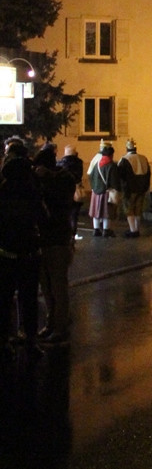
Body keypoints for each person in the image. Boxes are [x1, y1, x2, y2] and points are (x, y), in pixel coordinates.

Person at [0, 154, 47, 347]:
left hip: (5, 254)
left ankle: (5, 340)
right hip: (29, 255)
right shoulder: (31, 192)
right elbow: (44, 218)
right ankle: (30, 339)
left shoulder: (2, 192)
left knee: (4, 299)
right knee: (29, 300)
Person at [33, 144, 76, 343]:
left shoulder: (63, 180)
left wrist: (47, 177)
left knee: (58, 287)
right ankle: (51, 323)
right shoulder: (44, 181)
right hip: (44, 240)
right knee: (47, 286)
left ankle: (60, 327)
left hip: (58, 240)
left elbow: (60, 197)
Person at [118, 138, 151, 238]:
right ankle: (137, 229)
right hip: (142, 188)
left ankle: (133, 230)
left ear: (126, 148)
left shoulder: (124, 160)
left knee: (129, 209)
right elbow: (148, 173)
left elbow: (121, 175)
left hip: (130, 189)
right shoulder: (143, 158)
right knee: (138, 209)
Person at [88, 143, 120, 236]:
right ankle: (106, 230)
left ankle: (96, 229)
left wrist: (94, 187)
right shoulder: (112, 165)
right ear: (111, 155)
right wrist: (116, 189)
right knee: (107, 213)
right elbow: (114, 181)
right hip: (107, 192)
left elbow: (91, 176)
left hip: (96, 192)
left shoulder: (97, 164)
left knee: (96, 212)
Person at [59, 144, 85, 240]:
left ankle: (65, 236)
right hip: (76, 191)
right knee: (74, 215)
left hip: (64, 192)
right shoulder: (79, 163)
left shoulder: (60, 163)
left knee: (65, 215)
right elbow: (79, 176)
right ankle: (73, 236)